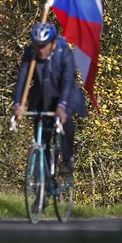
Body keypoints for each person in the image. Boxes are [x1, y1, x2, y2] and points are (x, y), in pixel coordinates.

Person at [13, 22, 87, 174]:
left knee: (66, 123)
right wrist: (18, 103)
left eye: (44, 45)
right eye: (37, 45)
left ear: (52, 43)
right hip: (43, 96)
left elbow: (68, 81)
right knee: (42, 137)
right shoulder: (30, 54)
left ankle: (67, 160)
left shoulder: (64, 52)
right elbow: (22, 79)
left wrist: (62, 105)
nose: (40, 49)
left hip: (66, 95)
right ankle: (44, 181)